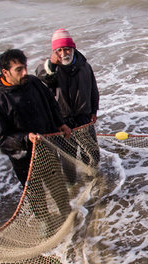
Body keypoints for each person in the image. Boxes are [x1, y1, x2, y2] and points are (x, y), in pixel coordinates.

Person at [0, 49, 71, 221]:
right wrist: (25, 139)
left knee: (58, 187)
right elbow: (1, 138)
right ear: (5, 72)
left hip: (47, 147)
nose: (25, 72)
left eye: (24, 67)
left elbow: (51, 103)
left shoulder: (33, 83)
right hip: (24, 158)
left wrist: (61, 123)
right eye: (18, 69)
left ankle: (68, 216)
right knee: (35, 193)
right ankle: (45, 222)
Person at [36, 28, 100, 167]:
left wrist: (94, 110)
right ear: (54, 52)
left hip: (84, 117)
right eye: (59, 50)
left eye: (67, 49)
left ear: (73, 48)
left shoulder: (85, 66)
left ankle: (94, 178)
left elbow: (93, 90)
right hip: (61, 121)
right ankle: (72, 185)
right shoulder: (48, 68)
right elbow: (44, 77)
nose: (64, 54)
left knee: (92, 153)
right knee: (67, 157)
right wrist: (52, 65)